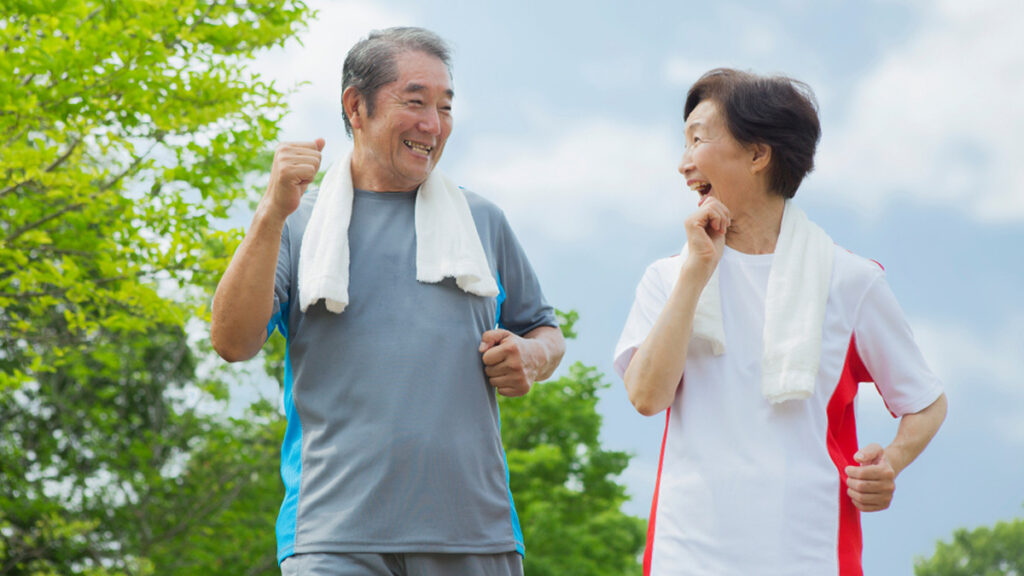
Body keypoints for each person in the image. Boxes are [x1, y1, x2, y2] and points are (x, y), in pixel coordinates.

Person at [211, 27, 564, 576]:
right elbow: (232, 342)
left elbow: (544, 331)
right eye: (416, 101)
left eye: (445, 107)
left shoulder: (482, 222)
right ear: (356, 106)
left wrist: (531, 356)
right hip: (332, 536)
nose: (433, 124)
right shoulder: (295, 226)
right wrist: (269, 215)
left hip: (474, 532)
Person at [613, 68, 946, 576]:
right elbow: (646, 396)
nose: (683, 164)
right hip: (686, 552)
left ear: (757, 154)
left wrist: (891, 462)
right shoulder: (667, 277)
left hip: (811, 552)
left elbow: (925, 402)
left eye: (697, 139)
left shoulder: (850, 281)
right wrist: (696, 273)